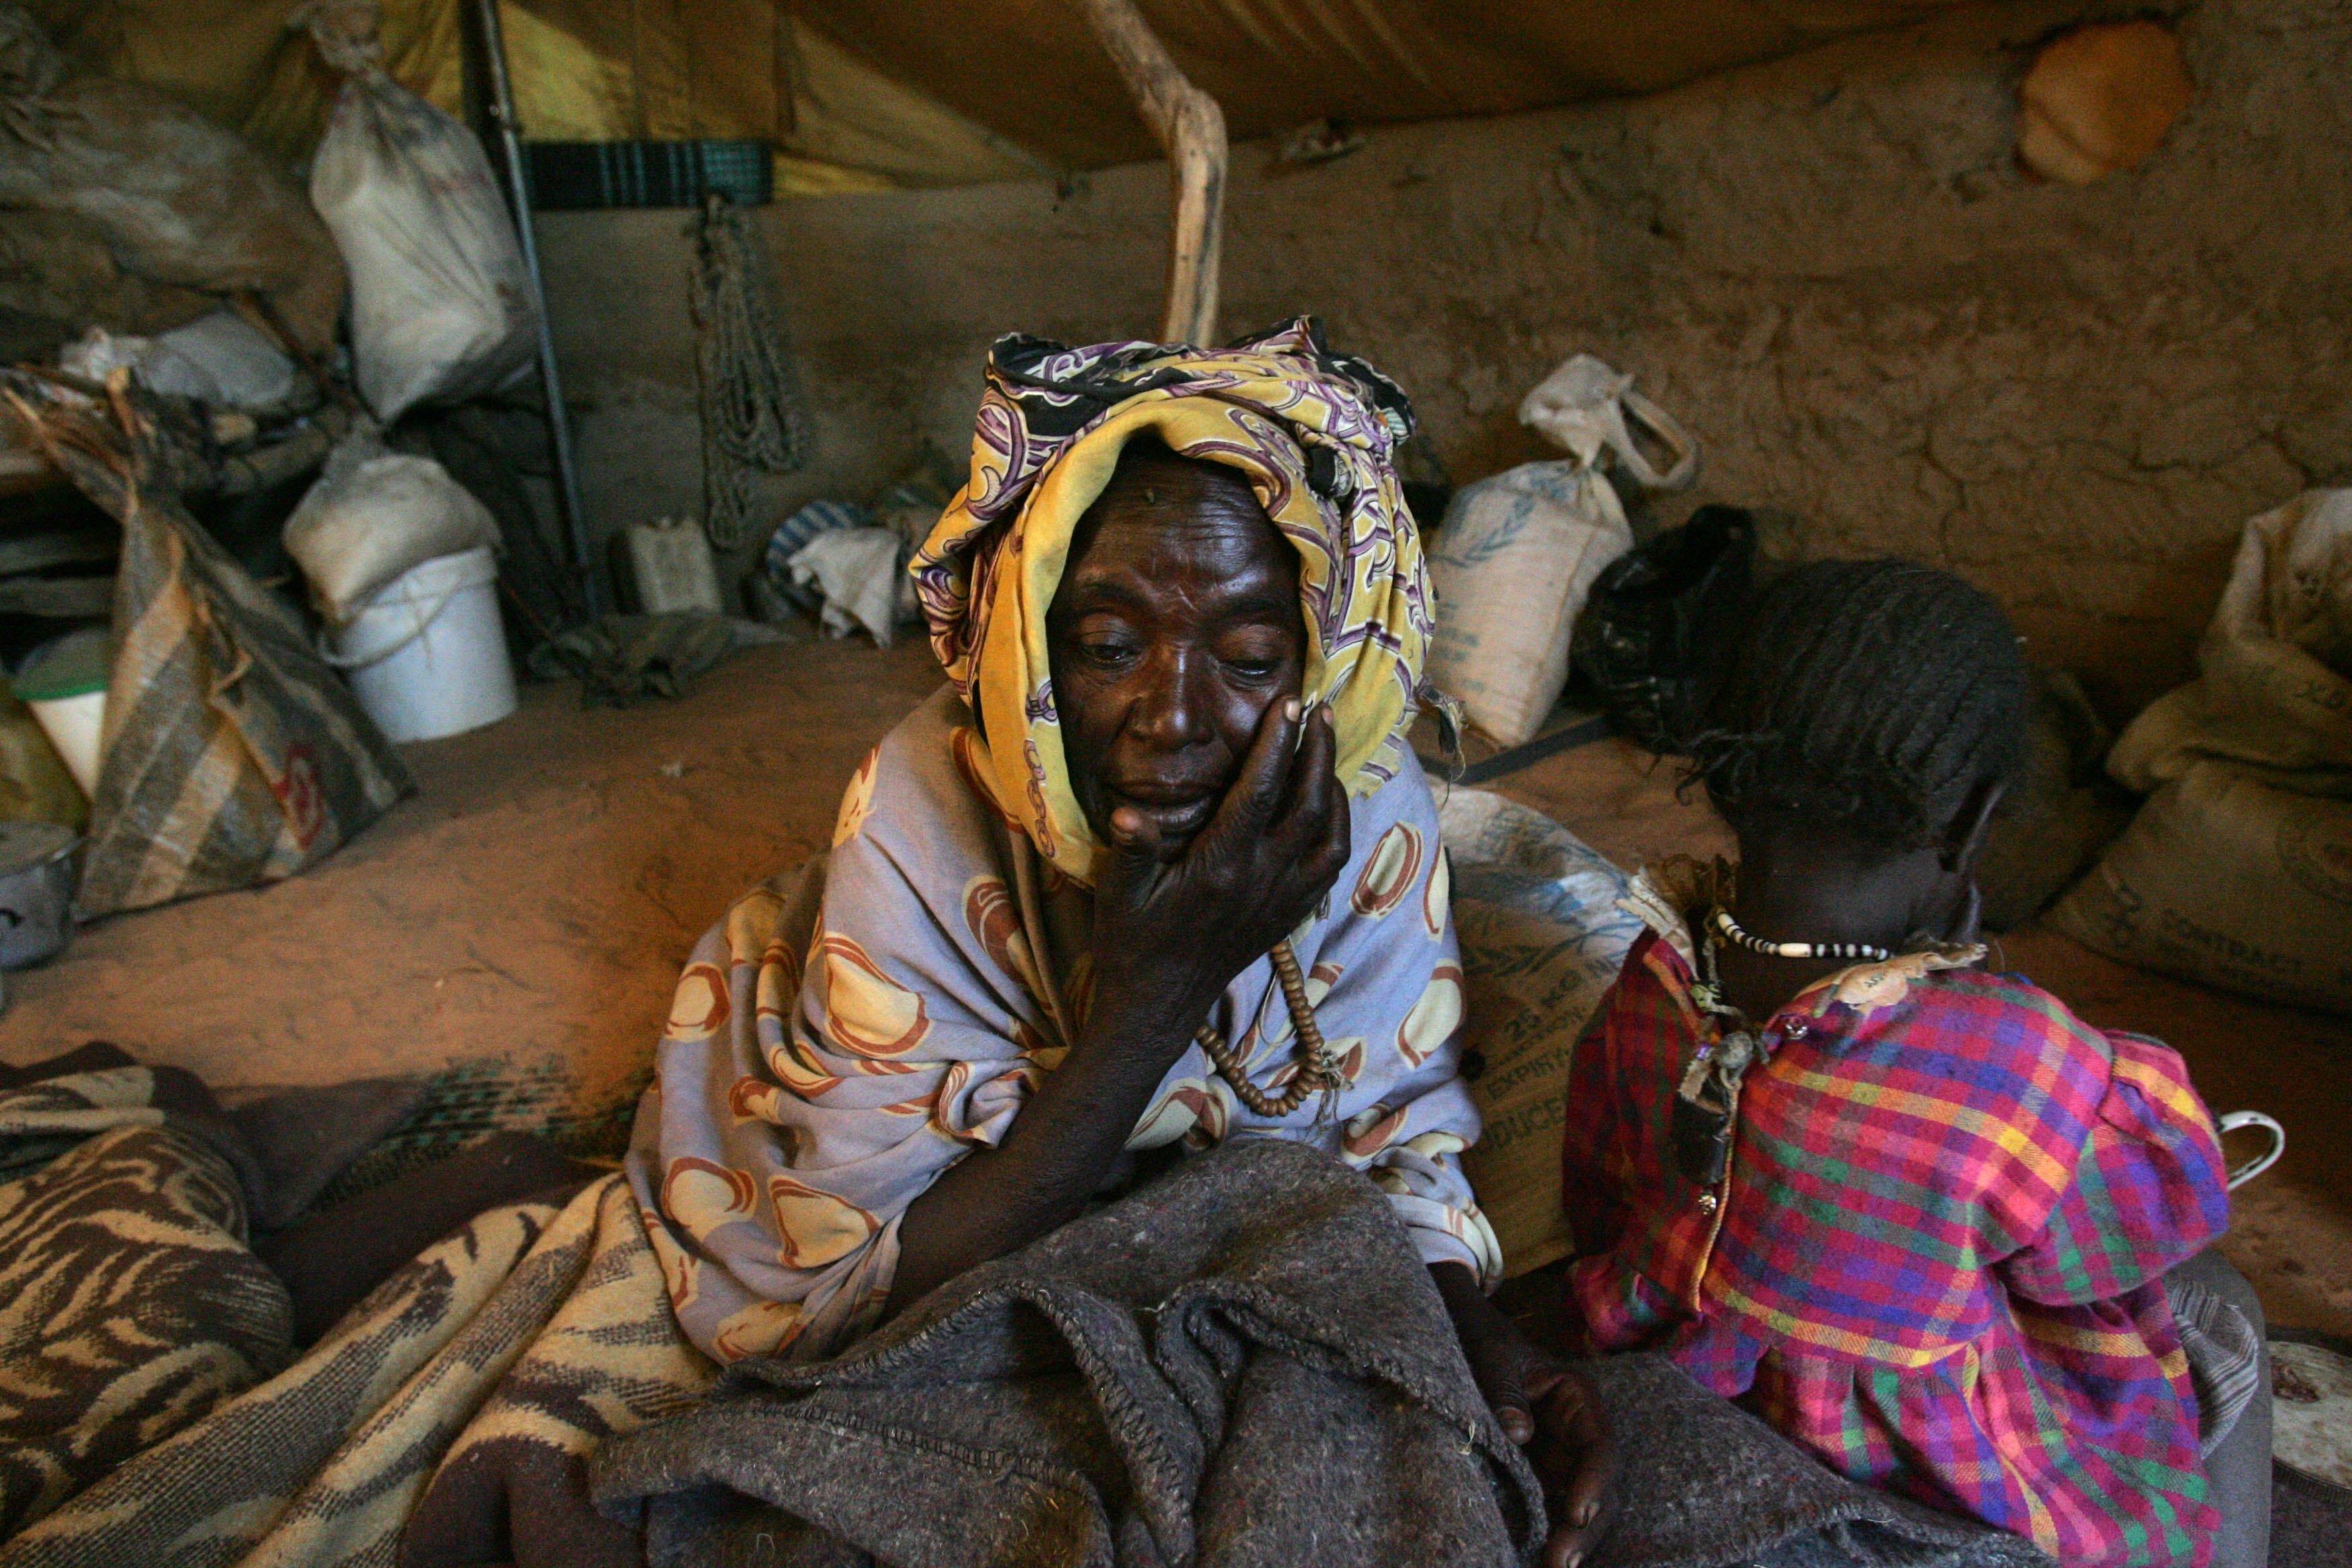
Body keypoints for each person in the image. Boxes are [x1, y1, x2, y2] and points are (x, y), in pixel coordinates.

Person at [629, 320, 1611, 1567]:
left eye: (1252, 655)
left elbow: (1395, 1137)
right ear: (1025, 648)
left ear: (1323, 660)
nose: (1177, 716)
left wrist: (1493, 1354)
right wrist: (1164, 988)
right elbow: (866, 1288)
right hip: (916, 1121)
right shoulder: (923, 813)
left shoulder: (1362, 810)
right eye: (1104, 648)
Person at [1557, 558, 2260, 1568]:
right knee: (2218, 1309)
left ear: (1719, 774)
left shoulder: (1651, 982)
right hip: (1911, 1500)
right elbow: (2146, 1222)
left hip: (1672, 1401)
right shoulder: (2022, 1061)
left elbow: (1598, 1199)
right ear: (1973, 822)